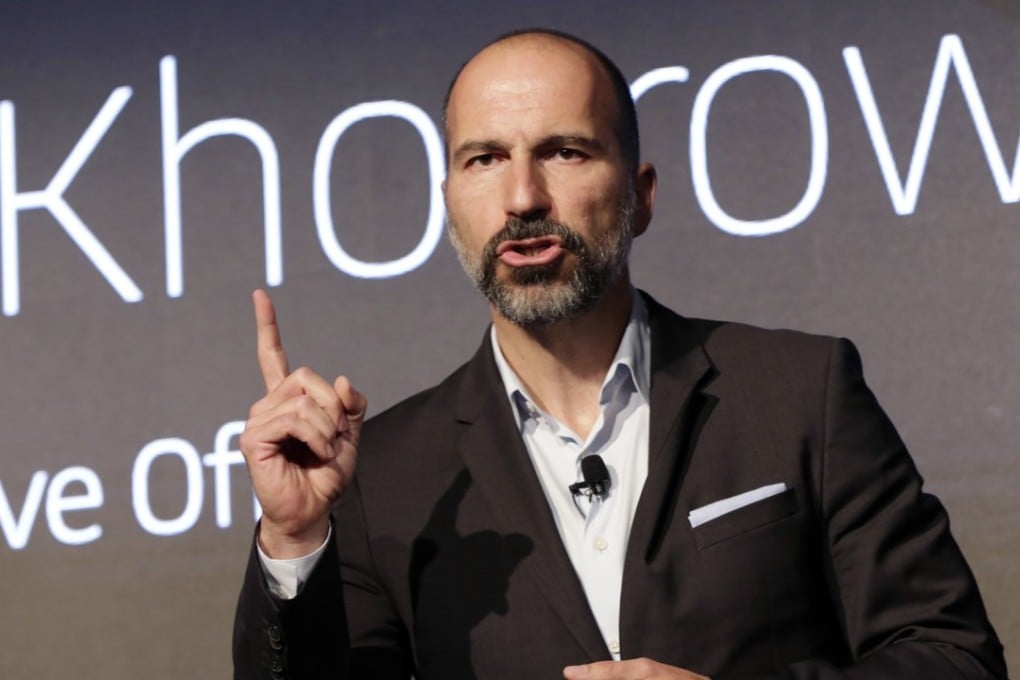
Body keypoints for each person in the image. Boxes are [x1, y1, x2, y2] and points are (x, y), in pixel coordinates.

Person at [232, 29, 1006, 680]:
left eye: (564, 152)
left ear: (640, 195)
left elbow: (954, 655)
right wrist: (295, 542)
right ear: (449, 206)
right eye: (484, 159)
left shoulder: (802, 392)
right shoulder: (385, 475)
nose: (522, 197)